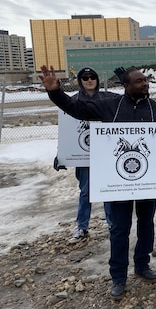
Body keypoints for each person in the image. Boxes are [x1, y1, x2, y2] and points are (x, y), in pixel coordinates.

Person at [39, 65, 156, 300]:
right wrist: (56, 93)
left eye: (145, 81)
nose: (144, 84)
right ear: (126, 86)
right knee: (119, 228)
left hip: (148, 180)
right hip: (118, 182)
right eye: (138, 81)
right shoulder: (110, 107)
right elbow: (76, 108)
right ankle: (118, 276)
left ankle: (142, 265)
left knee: (146, 223)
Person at [53, 67, 114, 242]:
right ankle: (82, 226)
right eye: (85, 77)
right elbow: (67, 133)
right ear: (80, 81)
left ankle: (111, 223)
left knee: (107, 190)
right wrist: (61, 154)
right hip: (83, 156)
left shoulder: (107, 99)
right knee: (86, 191)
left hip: (105, 155)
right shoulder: (73, 101)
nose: (89, 80)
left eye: (92, 77)